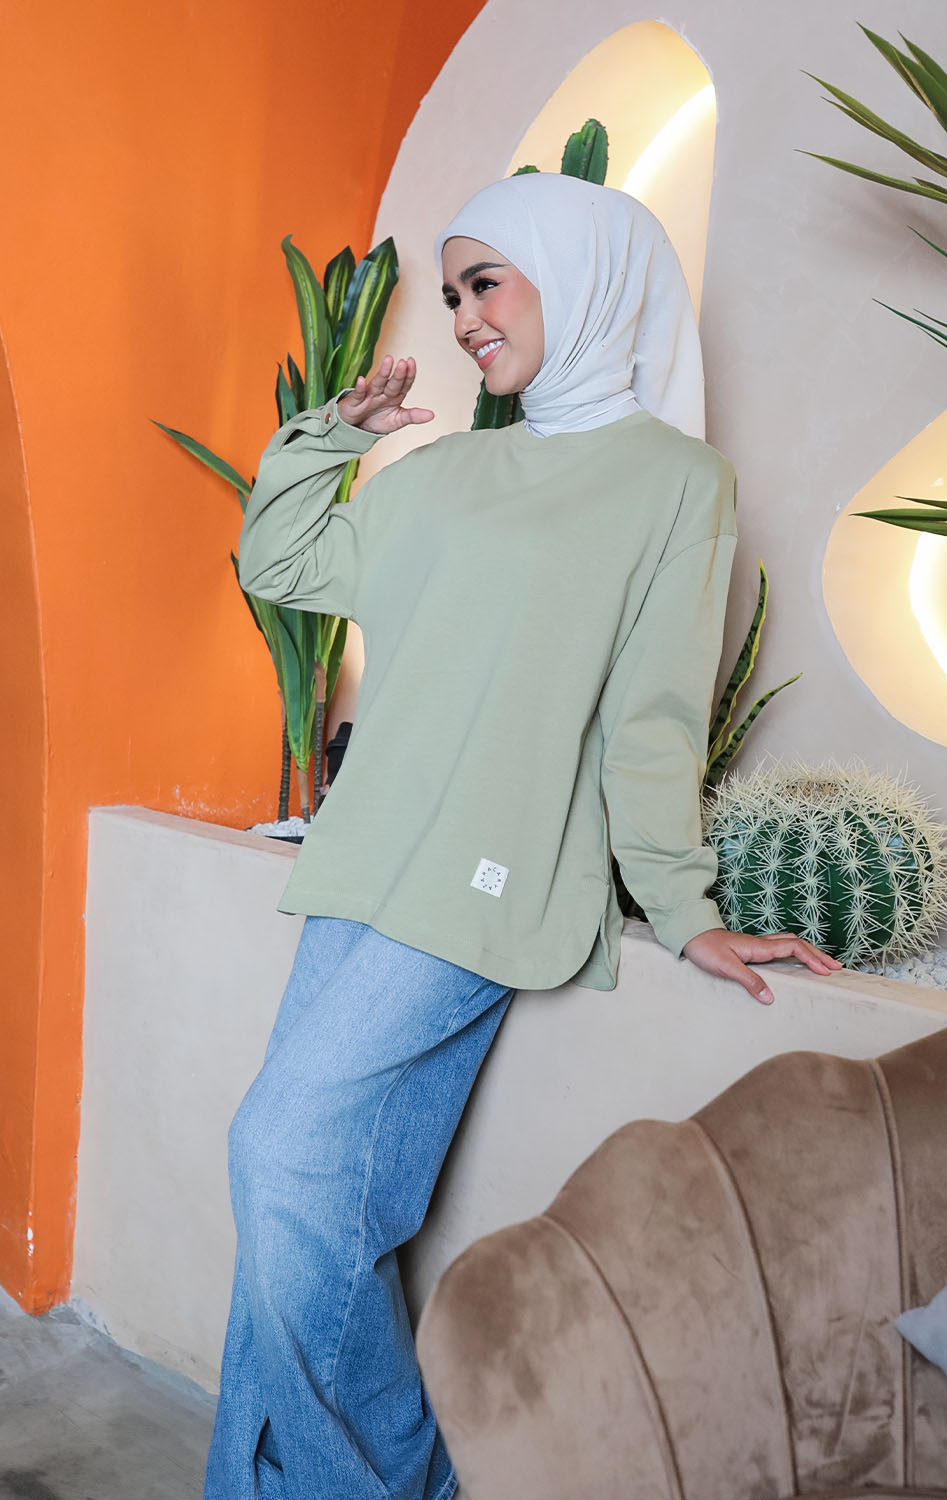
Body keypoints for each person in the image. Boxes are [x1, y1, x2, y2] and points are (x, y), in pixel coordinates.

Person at [203, 172, 842, 1500]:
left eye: (485, 282)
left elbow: (654, 716)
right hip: (364, 865)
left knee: (280, 1157)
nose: (462, 317)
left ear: (582, 274)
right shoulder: (445, 472)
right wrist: (327, 439)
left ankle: (382, 1485)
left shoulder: (675, 483)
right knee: (318, 1203)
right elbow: (284, 568)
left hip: (485, 887)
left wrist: (686, 908)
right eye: (452, 293)